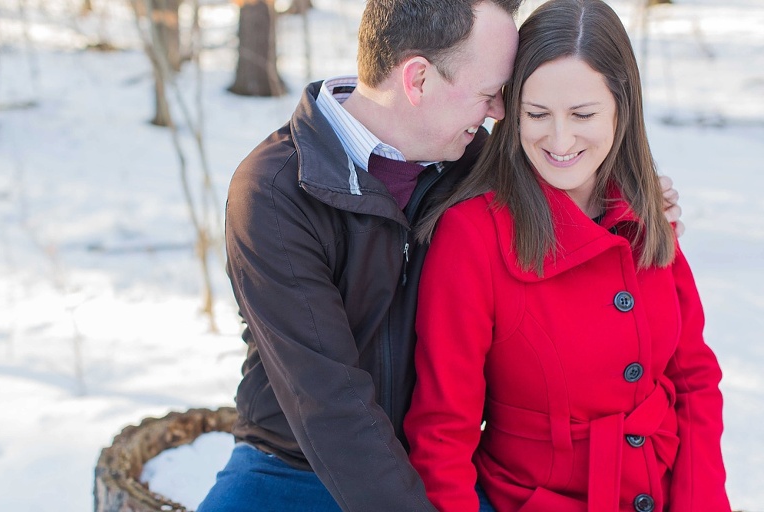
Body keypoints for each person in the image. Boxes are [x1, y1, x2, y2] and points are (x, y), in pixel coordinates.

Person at [198, 1, 683, 511]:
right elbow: (328, 403)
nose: (499, 112)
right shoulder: (276, 191)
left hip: (444, 459)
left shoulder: (472, 160)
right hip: (295, 460)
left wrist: (636, 206)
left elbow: (572, 194)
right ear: (419, 80)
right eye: (488, 93)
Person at [403, 0, 730, 511]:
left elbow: (694, 380)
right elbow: (442, 433)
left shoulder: (646, 208)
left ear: (622, 108)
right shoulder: (473, 234)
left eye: (583, 114)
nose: (559, 140)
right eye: (537, 114)